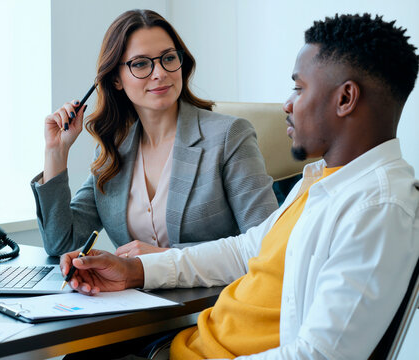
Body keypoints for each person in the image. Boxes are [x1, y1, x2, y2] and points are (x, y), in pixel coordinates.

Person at [60, 13, 419, 359]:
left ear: (345, 99)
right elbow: (247, 249)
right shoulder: (323, 180)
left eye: (299, 87)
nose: (287, 104)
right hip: (189, 340)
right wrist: (135, 271)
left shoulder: (377, 208)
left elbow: (319, 354)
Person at [30, 9, 278, 257]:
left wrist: (162, 260)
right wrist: (56, 152)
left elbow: (266, 244)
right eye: (140, 64)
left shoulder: (229, 136)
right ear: (116, 79)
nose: (160, 73)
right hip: (132, 297)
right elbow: (60, 244)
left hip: (213, 296)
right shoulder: (113, 151)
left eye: (168, 58)